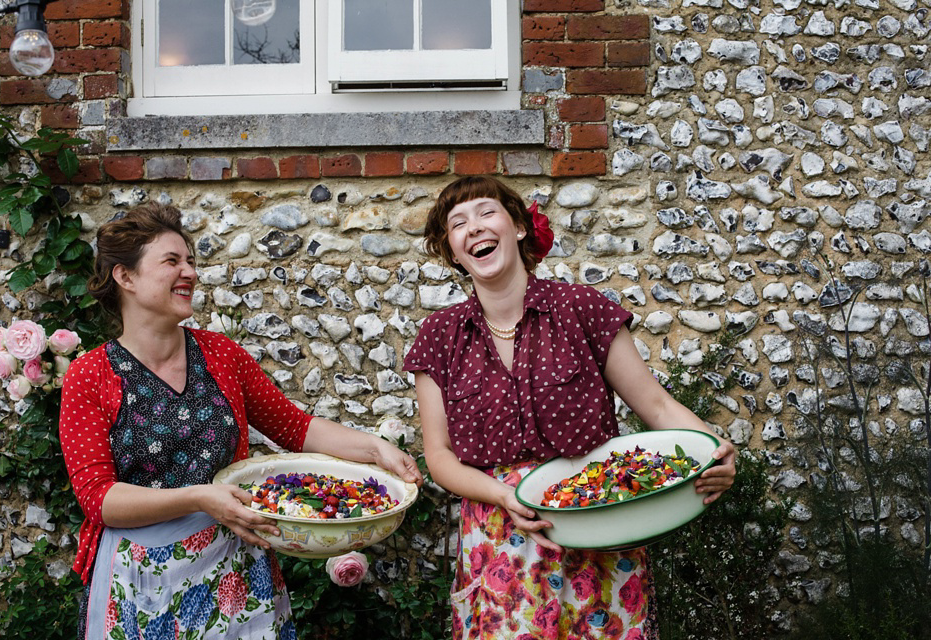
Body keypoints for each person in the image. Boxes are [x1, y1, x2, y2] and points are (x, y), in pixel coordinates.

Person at [59, 203, 423, 640]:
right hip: (143, 576)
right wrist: (199, 497)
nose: (189, 272)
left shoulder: (221, 355)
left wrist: (376, 448)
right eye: (172, 261)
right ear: (126, 277)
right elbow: (98, 499)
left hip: (236, 569)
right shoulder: (90, 375)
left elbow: (296, 427)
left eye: (191, 260)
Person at [403, 176, 736, 639]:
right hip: (502, 539)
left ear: (518, 226)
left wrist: (713, 450)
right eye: (458, 224)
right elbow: (438, 456)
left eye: (486, 212)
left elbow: (656, 405)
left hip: (600, 524)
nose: (474, 227)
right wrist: (505, 496)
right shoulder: (440, 337)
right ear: (453, 252)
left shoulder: (582, 309)